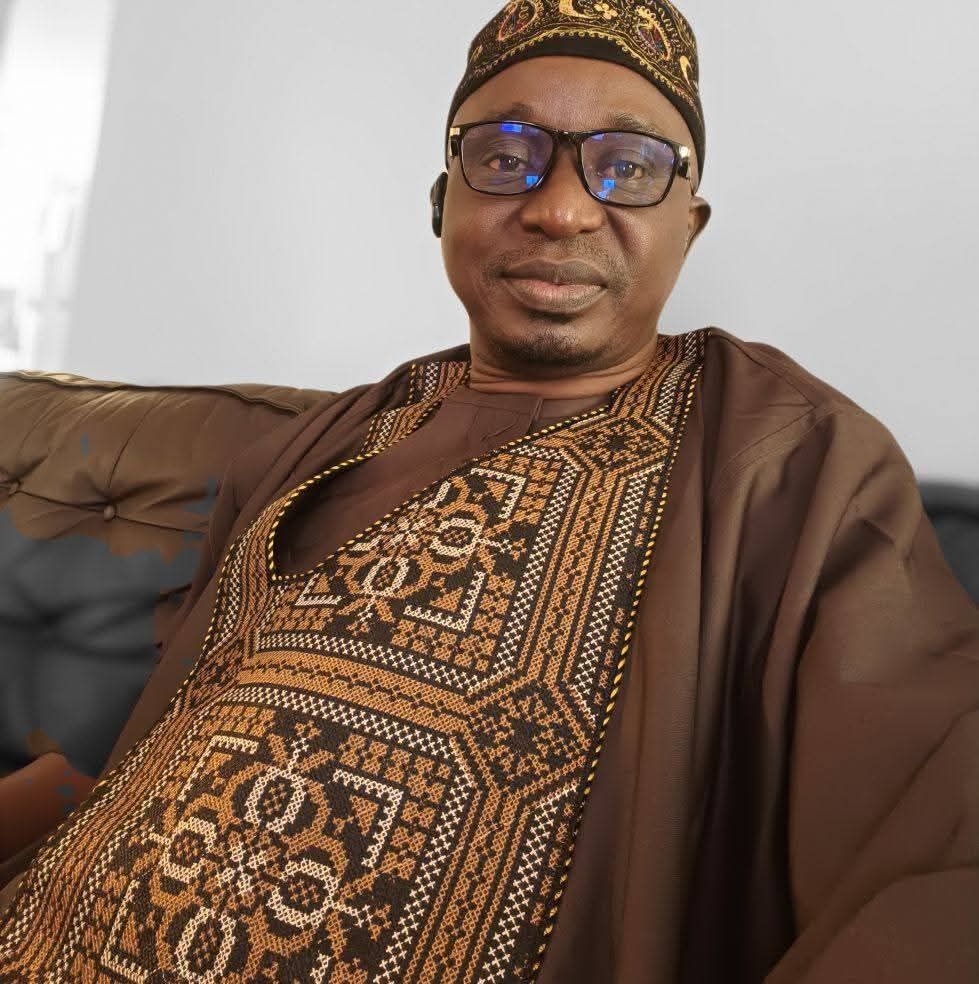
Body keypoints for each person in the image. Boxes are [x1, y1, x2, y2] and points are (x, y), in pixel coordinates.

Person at [1, 1, 977, 980]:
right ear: (443, 203)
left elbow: (937, 828)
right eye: (506, 157)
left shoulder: (785, 455)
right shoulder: (320, 445)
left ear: (687, 224)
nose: (560, 209)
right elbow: (159, 737)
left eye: (628, 166)